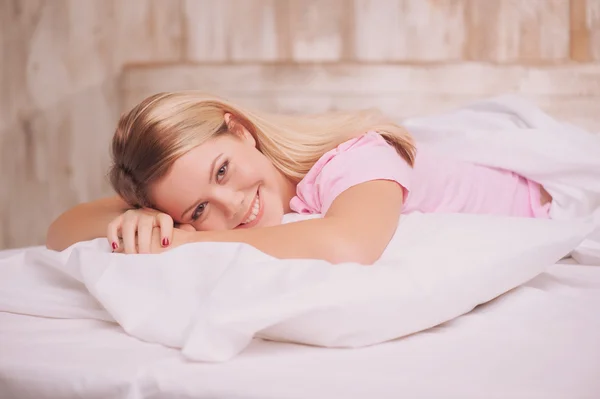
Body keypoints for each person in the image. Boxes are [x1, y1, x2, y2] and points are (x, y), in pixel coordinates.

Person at [46, 91, 552, 264]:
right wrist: (145, 217)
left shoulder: (355, 159)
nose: (232, 205)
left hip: (541, 207)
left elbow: (350, 245)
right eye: (199, 210)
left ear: (240, 130)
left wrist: (180, 242)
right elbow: (61, 231)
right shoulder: (224, 201)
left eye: (222, 171)